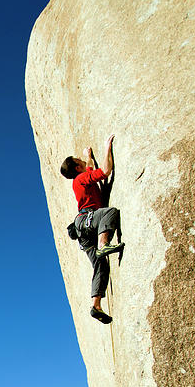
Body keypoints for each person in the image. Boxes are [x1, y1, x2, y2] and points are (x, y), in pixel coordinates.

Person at [59, 134, 123, 324]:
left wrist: (88, 156)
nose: (82, 161)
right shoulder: (80, 179)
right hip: (88, 219)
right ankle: (104, 242)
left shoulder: (80, 178)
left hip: (83, 230)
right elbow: (105, 170)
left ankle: (96, 305)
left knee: (100, 265)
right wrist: (107, 147)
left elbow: (90, 168)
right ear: (77, 168)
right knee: (109, 212)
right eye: (79, 161)